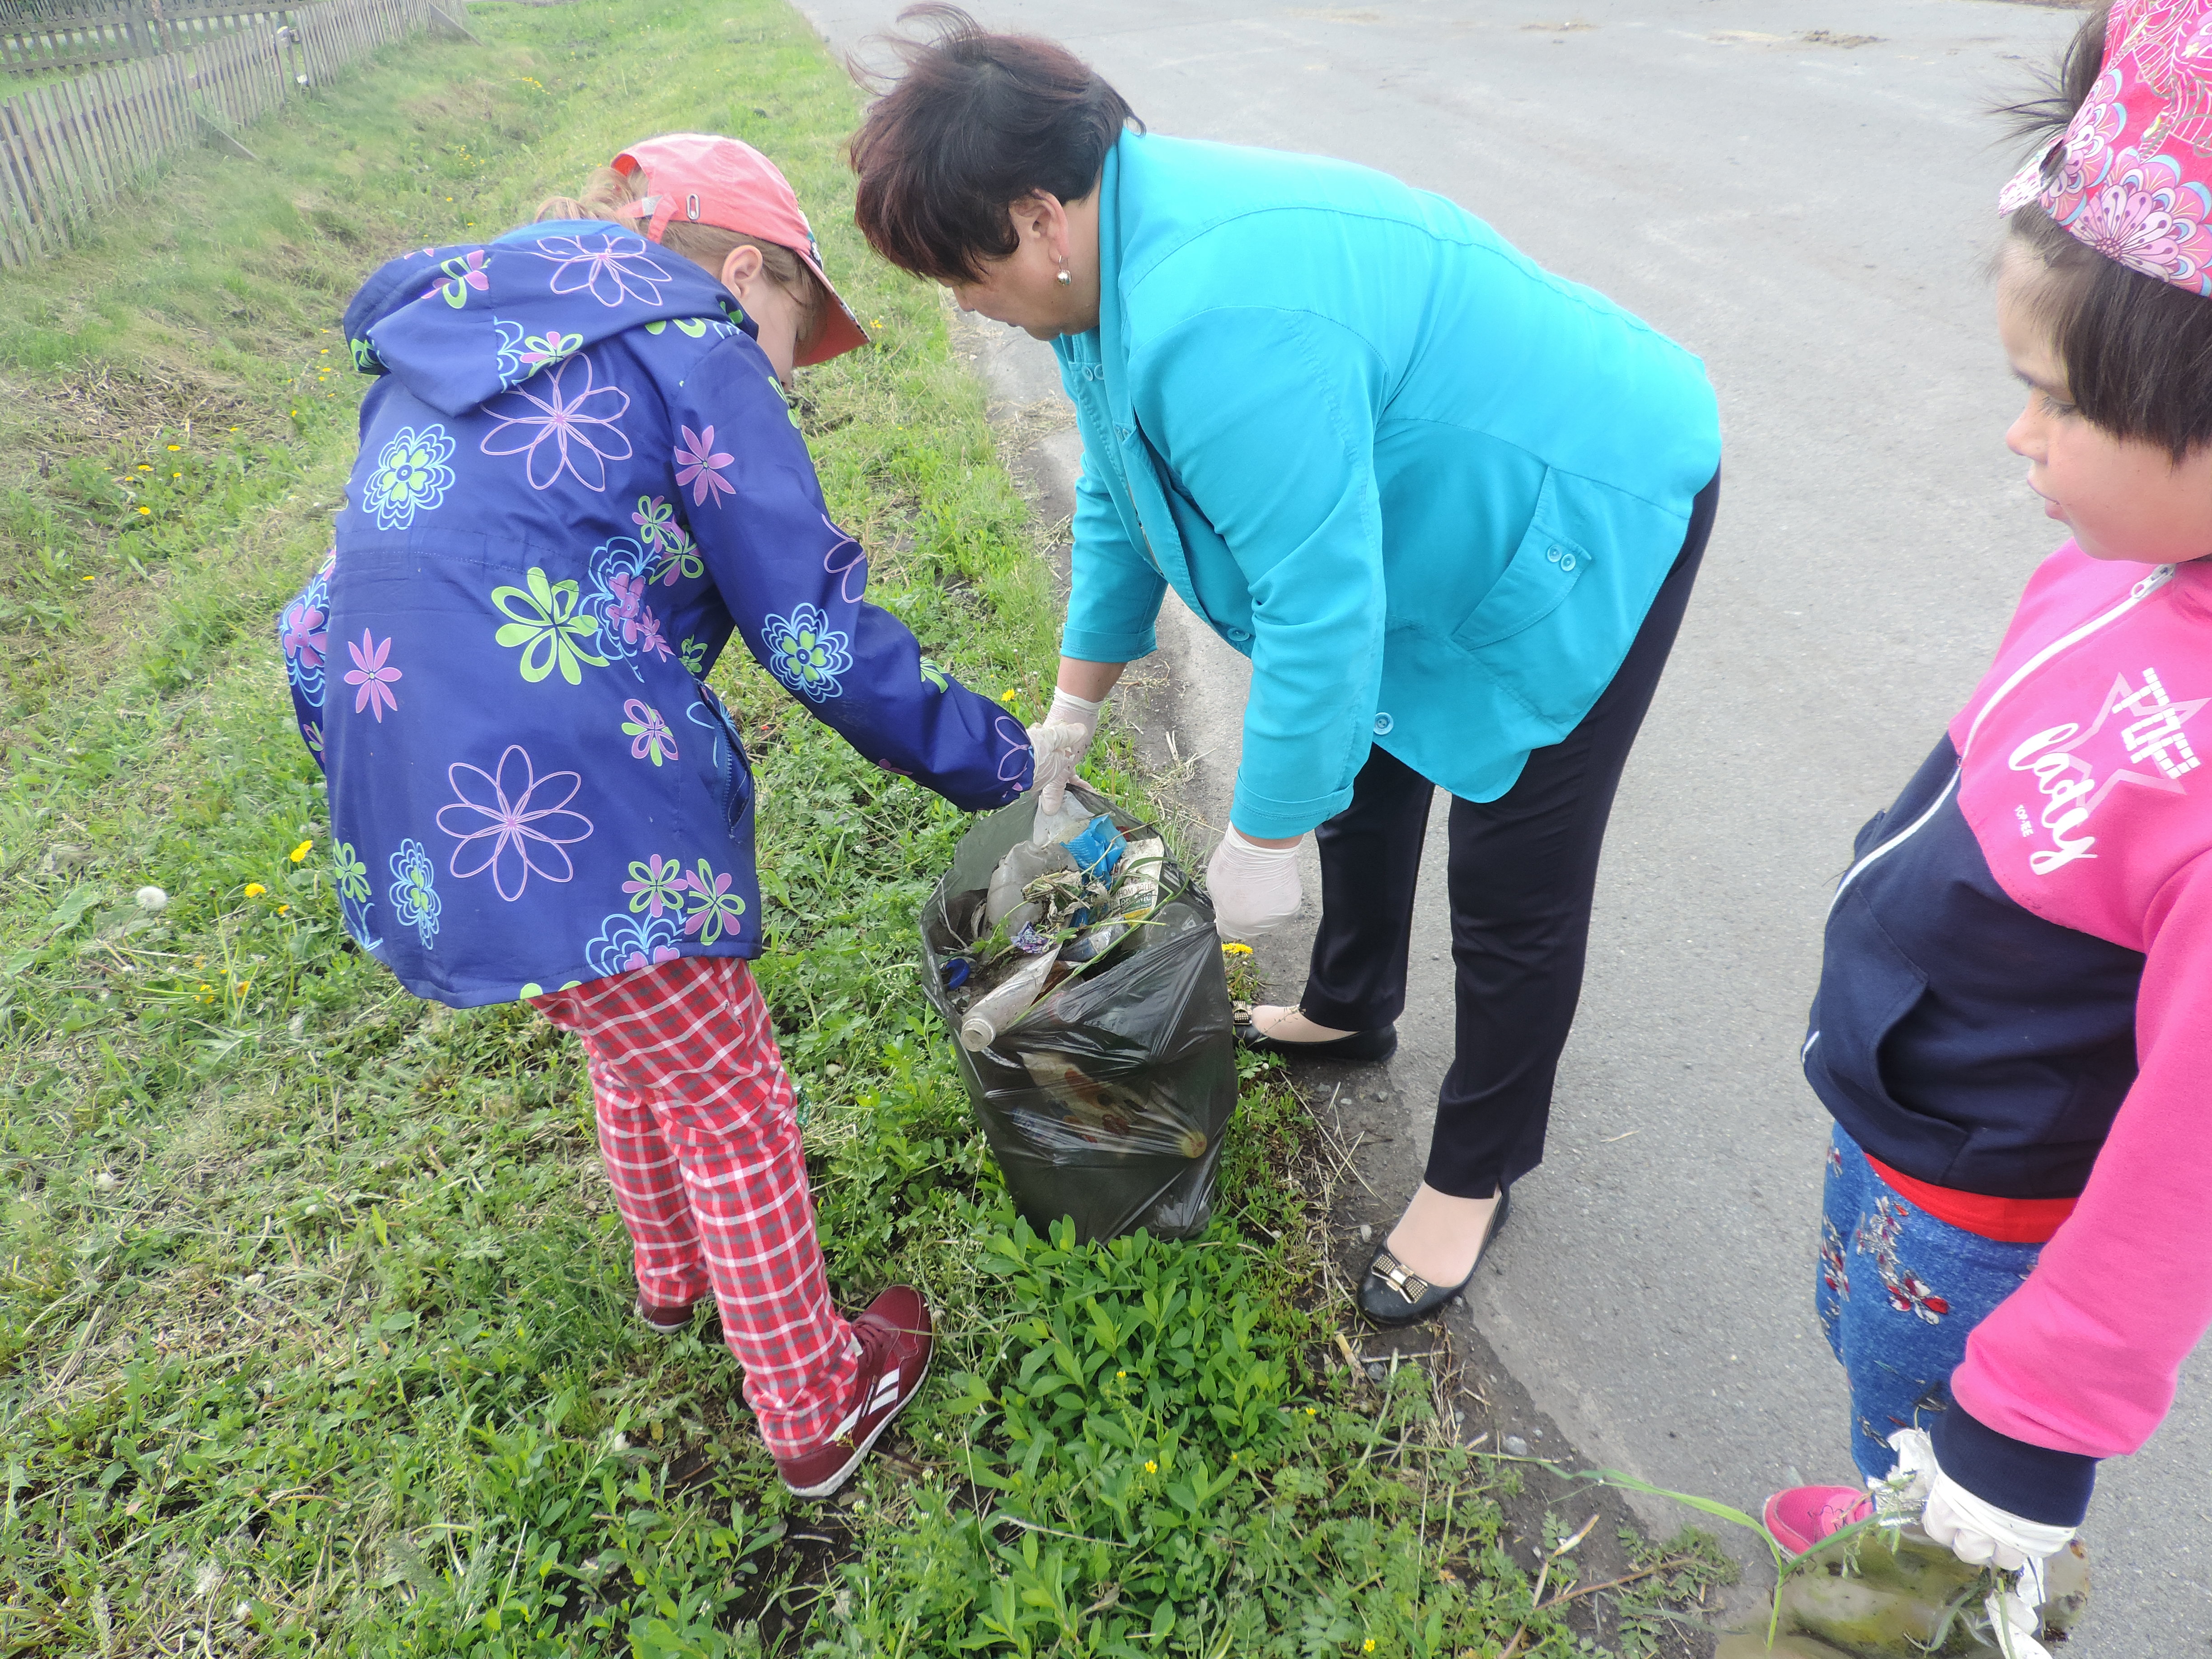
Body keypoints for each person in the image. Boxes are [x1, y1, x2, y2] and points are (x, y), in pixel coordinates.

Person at [847, 8, 1721, 1327]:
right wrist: (1075, 703)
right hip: (1426, 516)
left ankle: (1475, 1172)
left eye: (957, 272)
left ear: (1035, 219)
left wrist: (1262, 836)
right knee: (1361, 756)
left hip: (1585, 501)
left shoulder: (1216, 313)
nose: (961, 303)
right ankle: (1353, 1003)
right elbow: (1122, 496)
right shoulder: (1100, 278)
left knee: (1513, 872)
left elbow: (1319, 608)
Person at [276, 133, 1036, 1497]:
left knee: (629, 1032)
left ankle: (673, 1273)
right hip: (563, 775)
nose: (786, 373)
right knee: (731, 1097)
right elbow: (811, 632)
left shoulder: (472, 329)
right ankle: (815, 1402)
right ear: (745, 271)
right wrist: (999, 760)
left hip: (401, 764)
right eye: (795, 332)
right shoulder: (691, 340)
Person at [1762, 0, 2212, 1621]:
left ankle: (1931, 1570)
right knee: (1873, 1354)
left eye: (2058, 402)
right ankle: (1893, 1479)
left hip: (1990, 1216)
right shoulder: (2119, 567)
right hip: (1908, 1127)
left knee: (1948, 1475)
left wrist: (2027, 1436)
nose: (2020, 433)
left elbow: (2186, 1159)